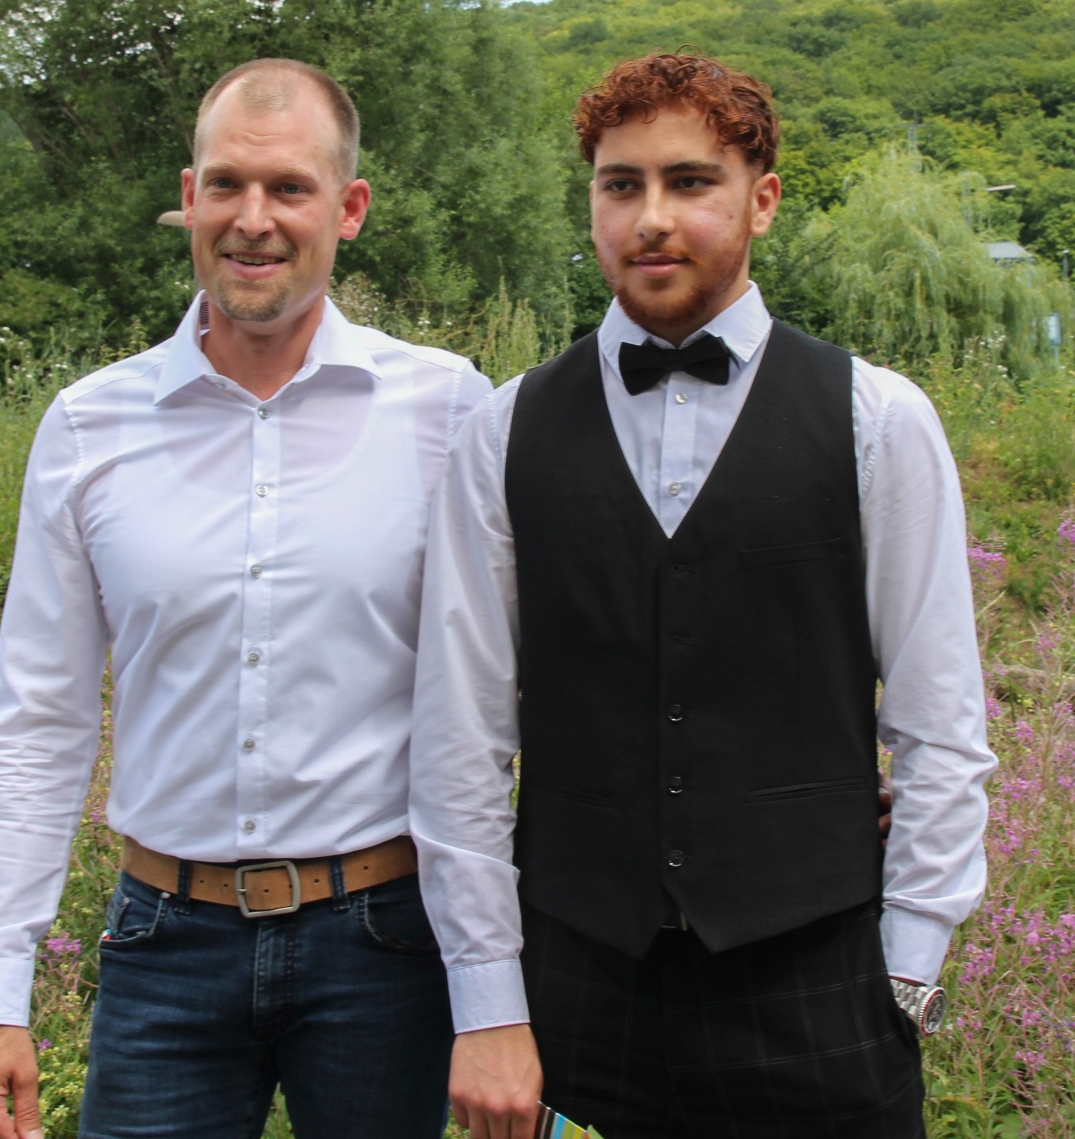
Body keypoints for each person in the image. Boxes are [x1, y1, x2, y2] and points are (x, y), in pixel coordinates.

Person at [409, 52, 995, 1139]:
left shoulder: (877, 419)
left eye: (689, 182)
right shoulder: (501, 432)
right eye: (619, 184)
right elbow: (459, 738)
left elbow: (940, 722)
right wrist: (488, 1000)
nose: (651, 217)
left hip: (820, 988)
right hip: (576, 990)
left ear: (760, 200)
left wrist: (906, 965)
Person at [0, 58, 490, 1139]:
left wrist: (494, 993)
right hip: (165, 946)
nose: (254, 220)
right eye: (228, 185)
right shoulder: (89, 426)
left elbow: (483, 714)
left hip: (385, 943)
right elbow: (38, 719)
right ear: (189, 195)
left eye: (289, 188)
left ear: (348, 208)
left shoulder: (447, 410)